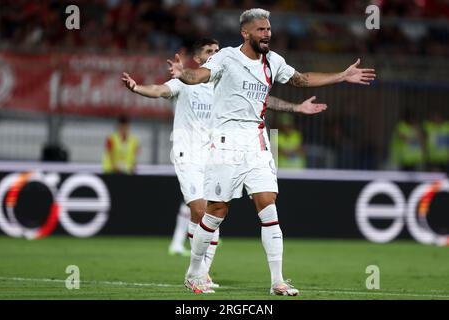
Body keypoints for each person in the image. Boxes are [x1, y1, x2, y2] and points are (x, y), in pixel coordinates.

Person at [167, 8, 375, 295]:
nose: (267, 33)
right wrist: (183, 75)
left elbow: (300, 79)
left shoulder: (273, 61)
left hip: (258, 140)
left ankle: (277, 281)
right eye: (261, 29)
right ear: (246, 32)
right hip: (226, 142)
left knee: (269, 206)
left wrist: (341, 76)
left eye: (268, 29)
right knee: (216, 211)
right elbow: (200, 75)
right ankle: (193, 272)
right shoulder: (227, 57)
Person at [123, 37, 326, 293]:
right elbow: (160, 90)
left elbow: (264, 100)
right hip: (188, 155)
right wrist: (137, 87)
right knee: (200, 210)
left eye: (217, 51)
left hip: (217, 153)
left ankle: (203, 273)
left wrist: (296, 107)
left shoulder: (222, 81)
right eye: (209, 51)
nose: (215, 54)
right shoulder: (188, 82)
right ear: (198, 58)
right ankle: (196, 272)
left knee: (214, 213)